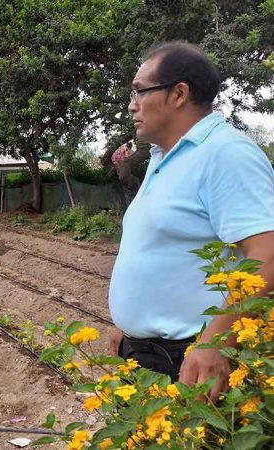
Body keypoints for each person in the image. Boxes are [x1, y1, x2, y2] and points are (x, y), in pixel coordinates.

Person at [108, 41, 274, 400]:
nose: (131, 104)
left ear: (179, 93)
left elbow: (267, 254)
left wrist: (217, 341)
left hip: (190, 363)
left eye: (139, 91)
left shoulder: (225, 153)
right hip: (147, 356)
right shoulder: (163, 157)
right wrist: (130, 328)